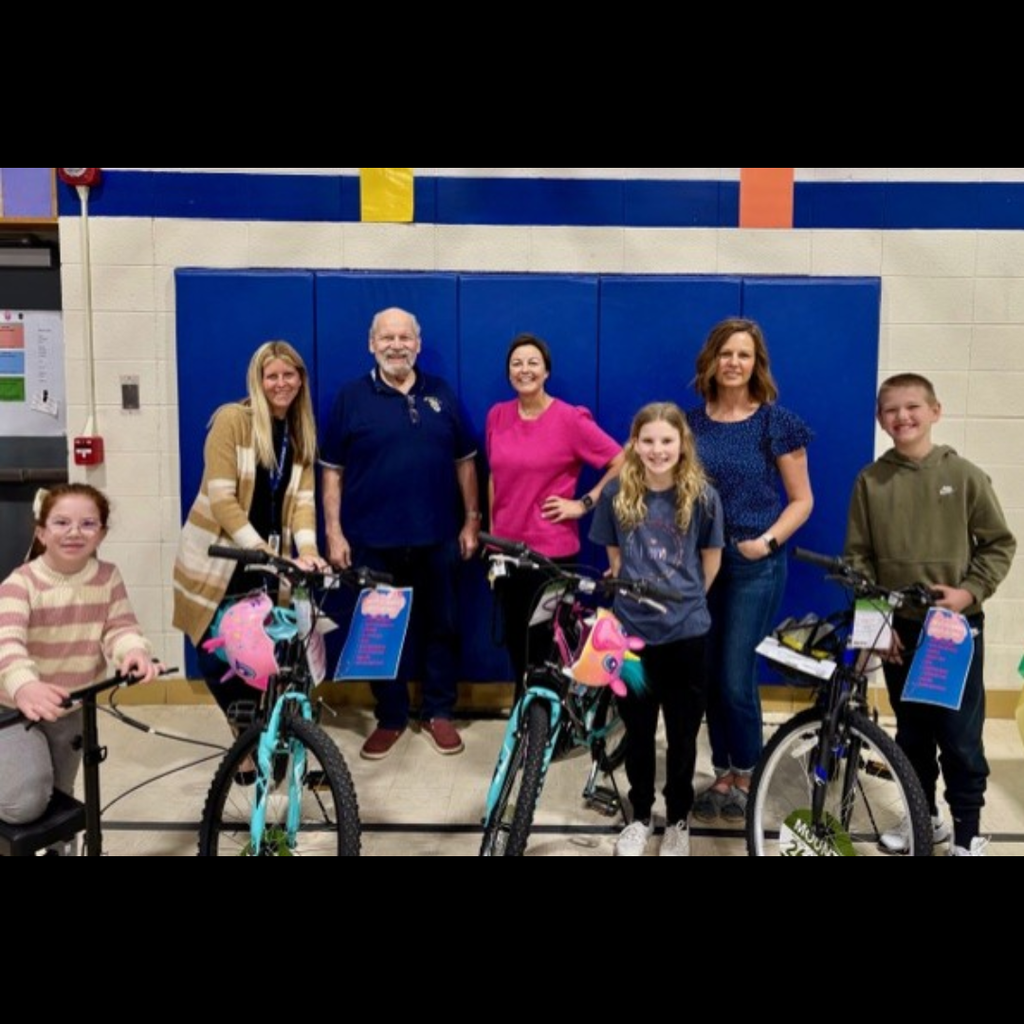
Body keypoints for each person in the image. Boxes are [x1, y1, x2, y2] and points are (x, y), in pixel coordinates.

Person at [845, 373, 1016, 856]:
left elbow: (999, 545)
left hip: (954, 632)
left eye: (912, 407)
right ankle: (925, 819)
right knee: (913, 735)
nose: (902, 417)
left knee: (960, 738)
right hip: (900, 630)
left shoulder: (963, 476)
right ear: (880, 419)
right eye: (891, 410)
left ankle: (967, 833)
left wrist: (969, 593)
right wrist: (876, 625)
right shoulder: (870, 481)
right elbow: (859, 559)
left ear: (935, 411)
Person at [321, 307, 480, 759]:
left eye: (404, 337)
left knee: (443, 626)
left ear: (418, 343)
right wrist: (333, 531)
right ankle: (390, 716)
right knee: (378, 632)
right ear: (372, 344)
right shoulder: (351, 397)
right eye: (387, 338)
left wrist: (471, 519)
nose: (396, 345)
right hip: (371, 540)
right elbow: (332, 471)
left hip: (438, 536)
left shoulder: (442, 394)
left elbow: (465, 461)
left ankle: (438, 712)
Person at [686, 317, 814, 823]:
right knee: (712, 674)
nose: (733, 363)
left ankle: (749, 771)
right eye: (725, 354)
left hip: (754, 564)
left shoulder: (776, 423)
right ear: (711, 362)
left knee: (737, 676)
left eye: (743, 355)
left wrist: (767, 542)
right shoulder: (691, 424)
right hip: (703, 564)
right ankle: (723, 768)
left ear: (756, 363)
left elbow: (802, 501)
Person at [590, 403, 723, 856]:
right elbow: (613, 558)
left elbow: (711, 559)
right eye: (648, 441)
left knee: (684, 735)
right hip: (631, 638)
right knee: (639, 732)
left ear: (682, 444)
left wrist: (683, 602)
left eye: (667, 441)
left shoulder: (702, 495)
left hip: (687, 634)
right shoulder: (615, 494)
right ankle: (642, 816)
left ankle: (679, 820)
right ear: (635, 444)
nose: (657, 449)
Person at [173, 341, 326, 731]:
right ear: (258, 381)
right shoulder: (232, 421)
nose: (281, 383)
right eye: (271, 376)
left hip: (270, 559)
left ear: (300, 379)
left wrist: (307, 550)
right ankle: (240, 730)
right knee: (217, 649)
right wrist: (262, 553)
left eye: (288, 375)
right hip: (222, 557)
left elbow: (305, 502)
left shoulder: (300, 430)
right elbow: (222, 499)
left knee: (266, 646)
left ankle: (266, 729)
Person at [0, 484, 160, 832]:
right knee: (25, 803)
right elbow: (6, 643)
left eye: (88, 524)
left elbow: (119, 626)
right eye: (61, 523)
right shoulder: (20, 583)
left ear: (101, 533)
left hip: (70, 708)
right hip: (11, 708)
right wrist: (25, 685)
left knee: (60, 797)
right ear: (41, 532)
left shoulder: (107, 577)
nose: (74, 532)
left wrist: (133, 651)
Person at [486, 332, 624, 694]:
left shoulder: (570, 420)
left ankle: (546, 724)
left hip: (552, 554)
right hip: (506, 553)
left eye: (533, 362)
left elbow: (622, 461)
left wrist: (585, 504)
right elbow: (493, 477)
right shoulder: (497, 416)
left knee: (547, 645)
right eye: (517, 363)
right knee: (517, 642)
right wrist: (493, 534)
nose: (524, 369)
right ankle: (525, 721)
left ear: (546, 371)